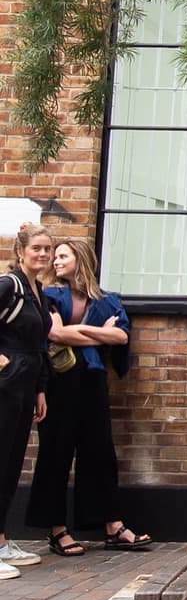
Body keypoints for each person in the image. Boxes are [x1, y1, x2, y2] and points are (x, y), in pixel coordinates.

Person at [29, 238, 149, 556]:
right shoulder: (49, 295)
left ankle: (112, 525)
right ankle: (57, 530)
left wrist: (80, 332)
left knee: (100, 452)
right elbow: (54, 333)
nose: (55, 262)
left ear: (80, 260)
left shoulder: (108, 300)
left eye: (62, 256)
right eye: (53, 257)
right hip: (59, 381)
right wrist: (98, 332)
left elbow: (121, 336)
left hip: (93, 382)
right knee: (56, 452)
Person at [0, 223, 53, 578]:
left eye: (48, 249)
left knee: (11, 462)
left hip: (26, 381)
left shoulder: (39, 292)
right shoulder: (9, 286)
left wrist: (39, 388)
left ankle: (2, 540)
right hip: (6, 381)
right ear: (21, 252)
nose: (44, 254)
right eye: (37, 248)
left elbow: (40, 345)